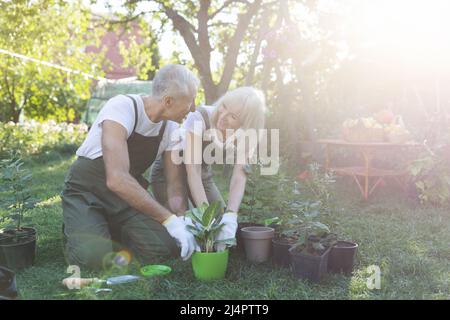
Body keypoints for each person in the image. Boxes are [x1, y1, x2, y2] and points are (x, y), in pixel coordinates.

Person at [61, 64, 200, 270]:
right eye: (190, 102)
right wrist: (169, 221)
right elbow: (117, 179)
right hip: (87, 191)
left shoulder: (171, 129)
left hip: (125, 199)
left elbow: (174, 185)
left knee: (165, 247)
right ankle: (79, 223)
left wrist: (182, 220)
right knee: (92, 258)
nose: (194, 108)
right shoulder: (122, 108)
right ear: (168, 101)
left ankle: (105, 227)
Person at [151, 87, 266, 251]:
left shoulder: (247, 135)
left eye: (233, 116)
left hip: (202, 175)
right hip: (169, 175)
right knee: (188, 230)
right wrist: (206, 216)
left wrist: (231, 215)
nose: (223, 117)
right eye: (224, 106)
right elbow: (193, 171)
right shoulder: (200, 117)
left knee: (220, 226)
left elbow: (240, 175)